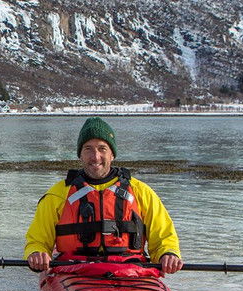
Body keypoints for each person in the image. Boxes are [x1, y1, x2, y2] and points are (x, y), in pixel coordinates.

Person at [25, 117, 183, 274]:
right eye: (88, 149)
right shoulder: (57, 195)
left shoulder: (141, 192)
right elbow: (37, 240)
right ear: (80, 155)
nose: (95, 156)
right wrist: (37, 253)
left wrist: (168, 254)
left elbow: (164, 237)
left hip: (130, 270)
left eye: (102, 148)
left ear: (112, 154)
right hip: (74, 270)